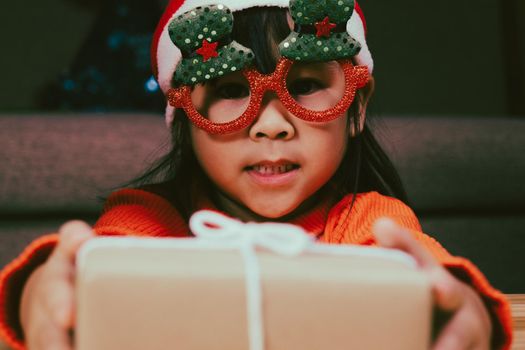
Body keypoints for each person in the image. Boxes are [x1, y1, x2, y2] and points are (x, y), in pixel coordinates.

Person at [0, 0, 513, 349]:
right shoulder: (151, 218)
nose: (270, 125)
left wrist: (461, 310)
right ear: (185, 122)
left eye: (306, 84)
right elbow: (95, 265)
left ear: (355, 109)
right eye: (228, 90)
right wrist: (41, 291)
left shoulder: (369, 221)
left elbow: (437, 282)